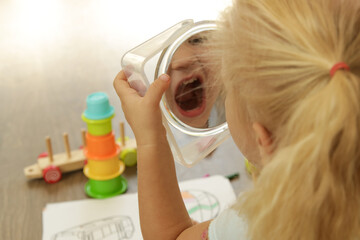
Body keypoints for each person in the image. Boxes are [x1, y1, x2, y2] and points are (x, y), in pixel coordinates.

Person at [113, 0, 360, 239]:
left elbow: (171, 236)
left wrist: (150, 139)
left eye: (229, 87)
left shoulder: (259, 225)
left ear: (265, 142)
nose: (183, 61)